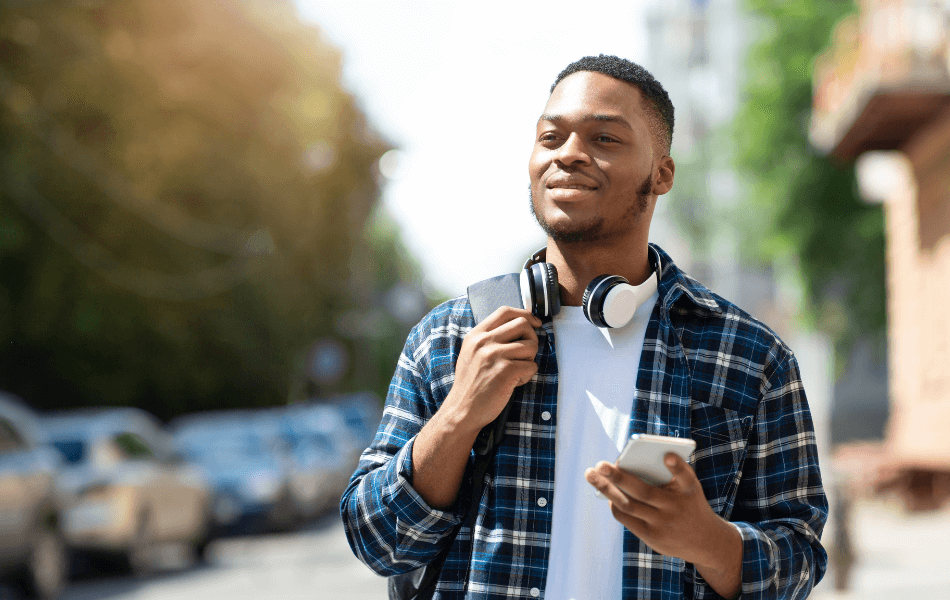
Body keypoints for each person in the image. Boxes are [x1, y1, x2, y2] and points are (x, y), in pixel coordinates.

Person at [341, 54, 828, 600]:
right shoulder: (447, 339)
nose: (569, 155)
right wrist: (459, 413)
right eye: (551, 138)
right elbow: (375, 542)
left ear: (661, 174)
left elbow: (800, 557)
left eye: (605, 139)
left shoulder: (749, 357)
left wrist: (709, 541)